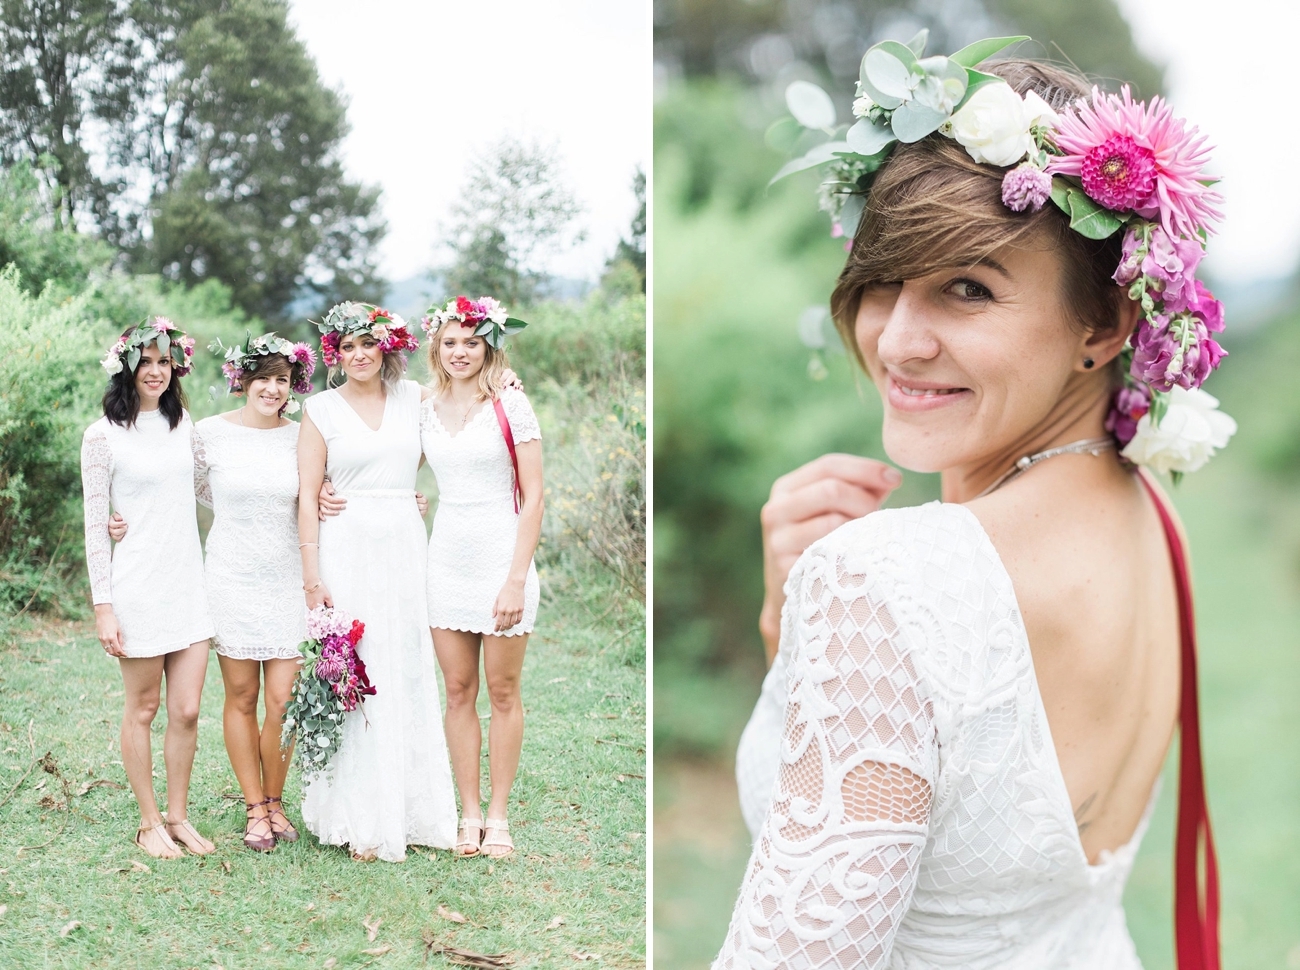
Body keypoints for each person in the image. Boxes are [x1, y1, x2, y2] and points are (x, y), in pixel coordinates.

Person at [718, 40, 1233, 969]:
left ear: (1107, 323)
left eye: (967, 289)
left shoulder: (883, 579)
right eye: (881, 281)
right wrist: (787, 634)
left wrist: (843, 613)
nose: (897, 340)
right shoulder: (1154, 511)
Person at [296, 302, 457, 862]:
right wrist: (312, 576)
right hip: (346, 545)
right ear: (334, 356)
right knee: (358, 672)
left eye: (368, 344)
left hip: (405, 544)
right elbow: (307, 496)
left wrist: (508, 377)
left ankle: (412, 808)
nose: (359, 355)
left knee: (405, 664)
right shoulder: (319, 409)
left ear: (385, 347)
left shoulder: (415, 398)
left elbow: (467, 399)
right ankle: (359, 815)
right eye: (348, 347)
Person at [81, 318, 216, 859]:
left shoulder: (186, 425)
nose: (156, 371)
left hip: (189, 584)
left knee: (186, 710)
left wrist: (303, 498)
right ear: (126, 367)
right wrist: (103, 606)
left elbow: (215, 490)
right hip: (136, 585)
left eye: (165, 362)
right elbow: (96, 522)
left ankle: (178, 816)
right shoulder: (102, 436)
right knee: (143, 707)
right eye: (146, 362)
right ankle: (147, 821)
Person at [418, 297, 544, 859]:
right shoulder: (422, 407)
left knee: (503, 691)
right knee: (459, 691)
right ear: (436, 349)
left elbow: (535, 494)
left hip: (501, 560)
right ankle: (467, 813)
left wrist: (515, 579)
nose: (460, 352)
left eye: (471, 342)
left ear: (488, 344)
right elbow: (385, 461)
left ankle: (498, 815)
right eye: (450, 342)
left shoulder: (511, 405)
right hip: (445, 561)